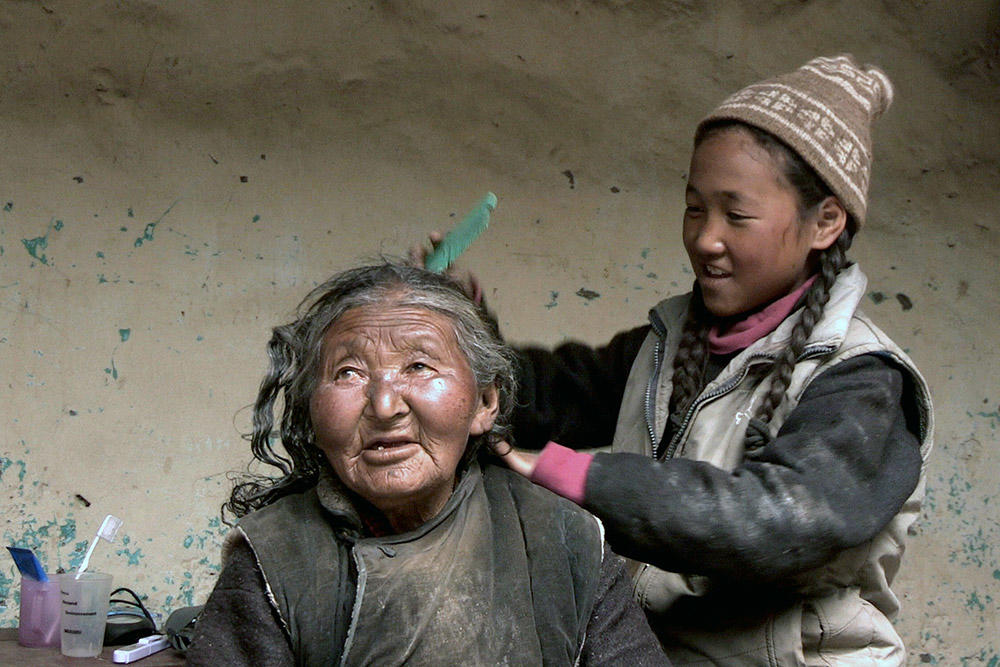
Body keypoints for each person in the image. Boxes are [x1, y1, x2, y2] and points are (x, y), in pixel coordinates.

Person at [418, 56, 934, 664]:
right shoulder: (667, 346)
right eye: (694, 208)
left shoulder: (863, 381)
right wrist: (461, 332)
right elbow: (540, 400)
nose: (705, 239)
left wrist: (586, 480)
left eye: (736, 215)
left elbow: (779, 520)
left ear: (824, 222)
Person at [185, 261, 669, 666]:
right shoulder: (276, 554)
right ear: (311, 411)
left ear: (484, 402)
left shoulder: (561, 538)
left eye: (418, 366)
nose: (384, 405)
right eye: (349, 372)